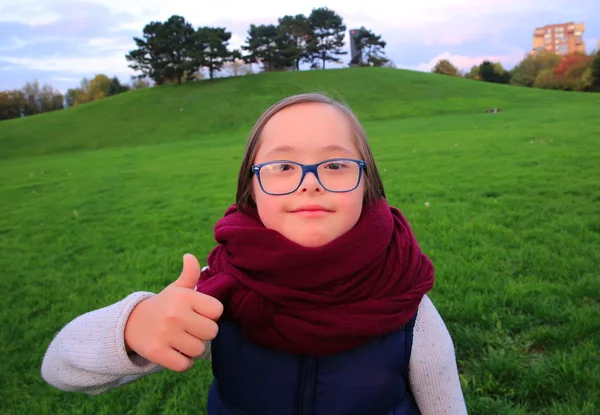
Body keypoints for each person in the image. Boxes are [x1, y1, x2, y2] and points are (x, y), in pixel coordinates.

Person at [41, 93, 468, 414]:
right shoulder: (219, 292)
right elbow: (59, 368)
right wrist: (134, 327)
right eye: (283, 166)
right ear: (252, 189)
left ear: (366, 184)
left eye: (336, 164)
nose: (310, 182)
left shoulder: (405, 296)